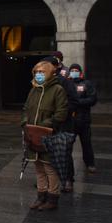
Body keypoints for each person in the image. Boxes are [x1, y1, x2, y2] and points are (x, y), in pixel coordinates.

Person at [23, 60, 68, 211]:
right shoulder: (33, 90)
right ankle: (40, 196)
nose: (39, 75)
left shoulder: (57, 89)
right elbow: (26, 108)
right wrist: (25, 123)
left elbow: (61, 113)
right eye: (36, 72)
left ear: (49, 73)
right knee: (38, 167)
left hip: (48, 134)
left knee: (49, 167)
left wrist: (45, 125)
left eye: (42, 72)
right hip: (32, 134)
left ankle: (52, 198)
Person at [44, 55, 79, 192]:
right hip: (47, 123)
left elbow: (74, 102)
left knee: (65, 152)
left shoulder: (65, 82)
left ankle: (69, 179)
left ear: (56, 67)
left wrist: (59, 113)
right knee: (47, 153)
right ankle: (50, 180)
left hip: (63, 123)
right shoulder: (43, 82)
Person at [69, 64, 97, 173]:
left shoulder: (87, 84)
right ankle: (67, 164)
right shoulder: (67, 84)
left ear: (80, 72)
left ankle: (90, 163)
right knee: (68, 144)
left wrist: (78, 102)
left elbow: (92, 99)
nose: (74, 72)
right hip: (71, 121)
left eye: (76, 70)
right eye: (72, 70)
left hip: (84, 120)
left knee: (86, 144)